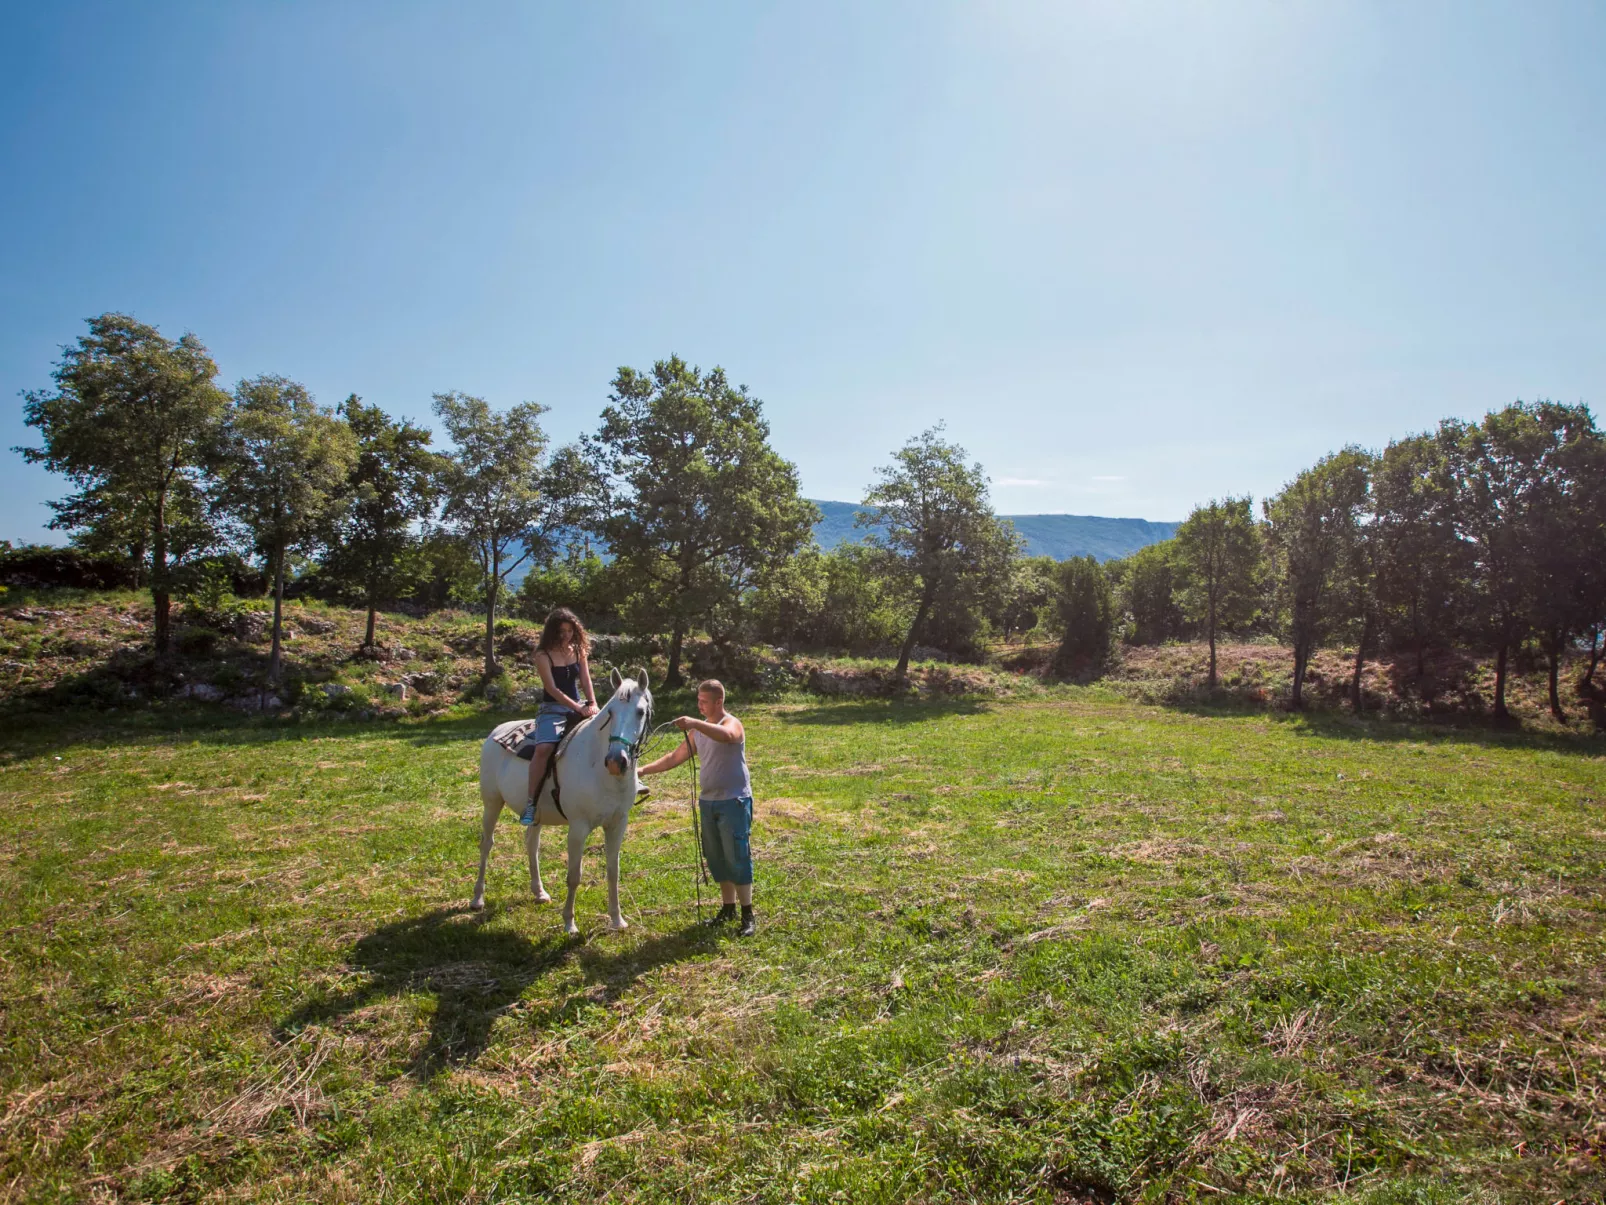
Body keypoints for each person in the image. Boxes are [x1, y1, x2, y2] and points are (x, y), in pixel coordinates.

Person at [640, 678, 756, 936]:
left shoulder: (732, 723)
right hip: (708, 801)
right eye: (698, 701)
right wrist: (643, 770)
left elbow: (728, 737)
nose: (700, 706)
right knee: (717, 857)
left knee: (737, 856)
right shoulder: (698, 732)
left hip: (734, 801)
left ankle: (748, 914)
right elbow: (675, 757)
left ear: (719, 701)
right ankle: (728, 908)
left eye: (704, 702)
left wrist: (695, 723)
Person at [521, 607, 599, 826]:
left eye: (570, 630)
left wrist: (592, 703)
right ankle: (531, 802)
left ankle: (631, 780)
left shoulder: (578, 650)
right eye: (561, 631)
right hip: (552, 709)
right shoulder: (542, 654)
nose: (566, 635)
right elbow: (552, 689)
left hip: (581, 706)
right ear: (552, 632)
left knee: (611, 730)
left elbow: (585, 679)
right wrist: (578, 708)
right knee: (543, 749)